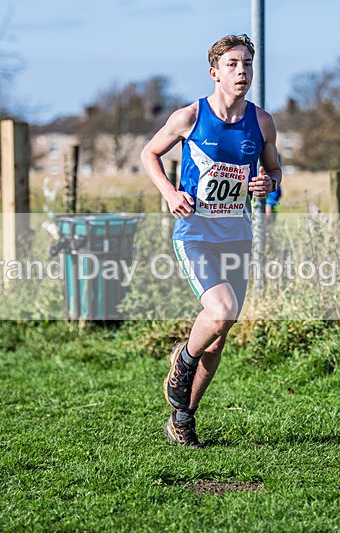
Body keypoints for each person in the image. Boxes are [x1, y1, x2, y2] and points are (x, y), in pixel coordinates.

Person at [140, 34, 282, 448]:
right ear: (214, 72)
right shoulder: (189, 116)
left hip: (237, 236)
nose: (242, 71)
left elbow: (274, 169)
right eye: (233, 64)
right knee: (221, 311)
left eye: (247, 64)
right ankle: (183, 358)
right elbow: (149, 154)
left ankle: (182, 419)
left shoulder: (262, 122)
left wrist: (268, 183)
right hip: (195, 233)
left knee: (218, 340)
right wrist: (170, 194)